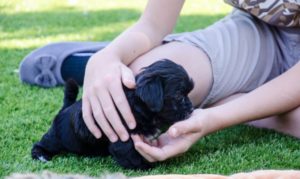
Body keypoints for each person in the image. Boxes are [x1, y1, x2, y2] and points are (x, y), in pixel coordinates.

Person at [20, 0, 300, 163]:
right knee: (137, 88)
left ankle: (238, 100)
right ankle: (119, 61)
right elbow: (153, 23)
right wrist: (109, 57)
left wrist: (214, 118)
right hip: (260, 33)